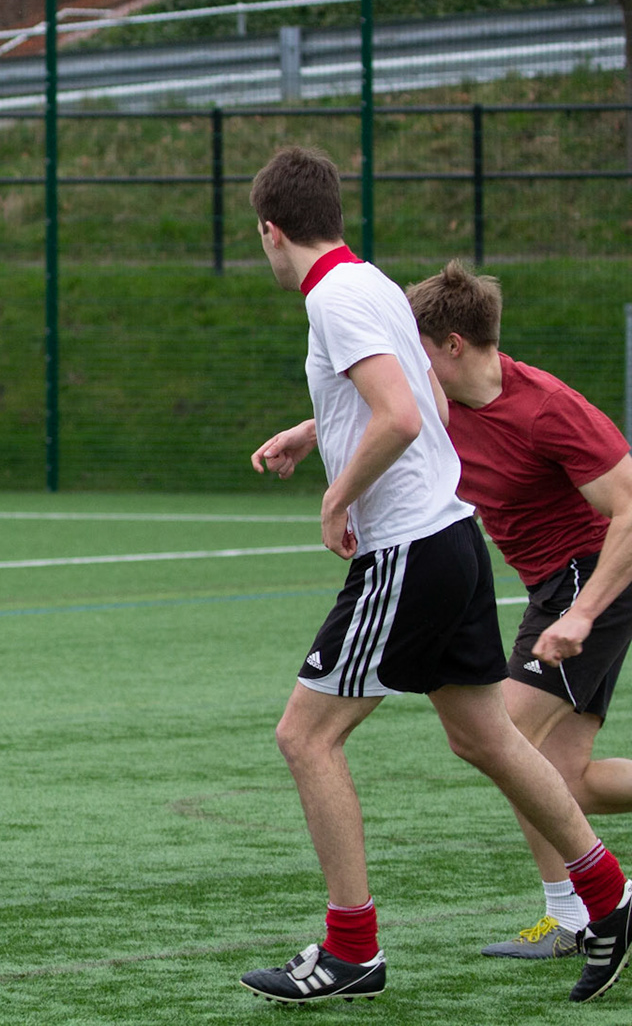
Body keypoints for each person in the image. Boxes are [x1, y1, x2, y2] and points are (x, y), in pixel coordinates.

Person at [240, 146, 631, 1006]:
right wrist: (315, 433)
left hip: (407, 548)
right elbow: (427, 398)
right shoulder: (373, 284)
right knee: (487, 737)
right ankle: (608, 895)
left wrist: (337, 496)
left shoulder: (333, 299)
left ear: (271, 230)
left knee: (306, 738)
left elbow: (401, 415)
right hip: (452, 539)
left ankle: (352, 951)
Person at [405, 261, 632, 960]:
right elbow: (387, 410)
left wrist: (583, 615)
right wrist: (309, 433)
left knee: (499, 737)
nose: (406, 363)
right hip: (553, 588)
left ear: (452, 345)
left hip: (590, 581)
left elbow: (630, 509)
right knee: (567, 783)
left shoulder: (547, 407)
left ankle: (573, 916)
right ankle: (577, 913)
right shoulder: (441, 398)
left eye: (416, 348)